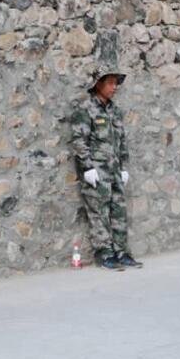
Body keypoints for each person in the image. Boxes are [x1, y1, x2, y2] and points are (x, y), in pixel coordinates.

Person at [70, 64, 142, 270]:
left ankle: (121, 252)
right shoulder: (86, 110)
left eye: (116, 83)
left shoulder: (114, 111)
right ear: (98, 84)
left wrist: (124, 166)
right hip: (97, 171)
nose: (114, 87)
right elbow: (79, 140)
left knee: (119, 211)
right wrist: (87, 167)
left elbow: (121, 140)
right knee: (99, 213)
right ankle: (105, 254)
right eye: (110, 82)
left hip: (115, 171)